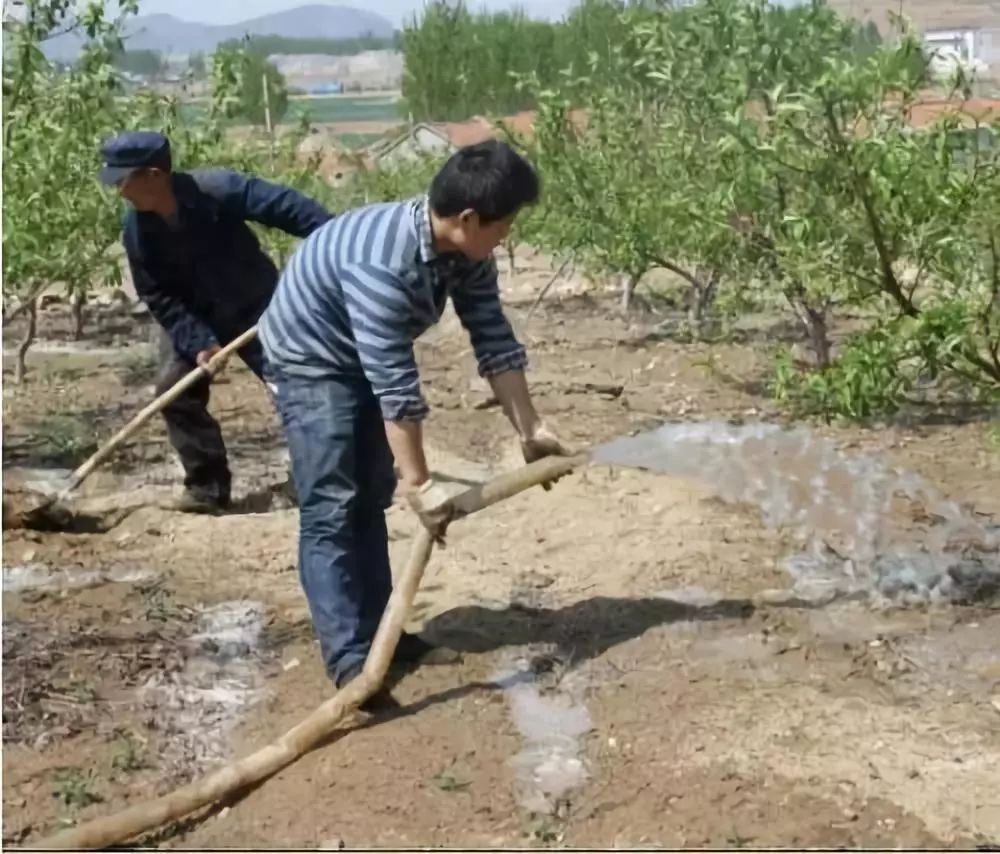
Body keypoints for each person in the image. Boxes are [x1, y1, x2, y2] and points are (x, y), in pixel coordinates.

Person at [259, 139, 572, 695]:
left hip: (359, 354)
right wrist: (421, 483)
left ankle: (384, 633)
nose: (508, 235)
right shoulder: (384, 264)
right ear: (469, 218)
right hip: (310, 359)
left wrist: (530, 428)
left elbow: (493, 336)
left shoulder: (465, 251)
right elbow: (395, 384)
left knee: (369, 498)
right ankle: (351, 661)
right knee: (333, 503)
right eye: (504, 225)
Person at [99, 131, 332, 513]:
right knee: (174, 391)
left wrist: (338, 240)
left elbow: (289, 208)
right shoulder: (137, 230)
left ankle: (314, 479)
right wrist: (199, 342)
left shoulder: (218, 190)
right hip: (194, 316)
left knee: (295, 386)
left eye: (124, 180)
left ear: (155, 175)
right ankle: (207, 490)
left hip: (257, 307)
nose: (120, 191)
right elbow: (158, 294)